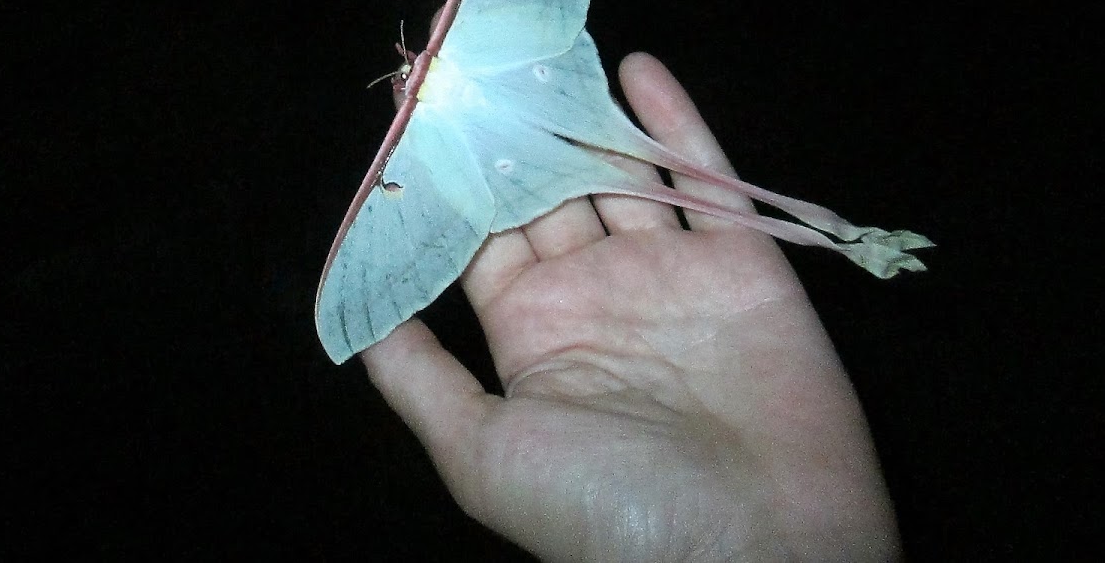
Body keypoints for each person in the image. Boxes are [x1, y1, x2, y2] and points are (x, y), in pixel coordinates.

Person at [361, 52, 902, 562]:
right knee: (665, 182)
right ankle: (849, 237)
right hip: (506, 141)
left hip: (515, 113)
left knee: (662, 176)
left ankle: (846, 235)